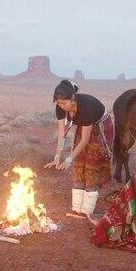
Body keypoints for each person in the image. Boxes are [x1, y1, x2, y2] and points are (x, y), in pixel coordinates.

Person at [44, 80, 114, 221]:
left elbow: (85, 139)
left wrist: (68, 159)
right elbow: (62, 133)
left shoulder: (85, 107)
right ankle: (77, 208)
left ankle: (87, 210)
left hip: (99, 126)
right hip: (84, 126)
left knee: (90, 166)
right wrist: (58, 156)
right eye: (59, 104)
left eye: (64, 103)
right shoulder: (60, 108)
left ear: (72, 99)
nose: (62, 107)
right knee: (79, 164)